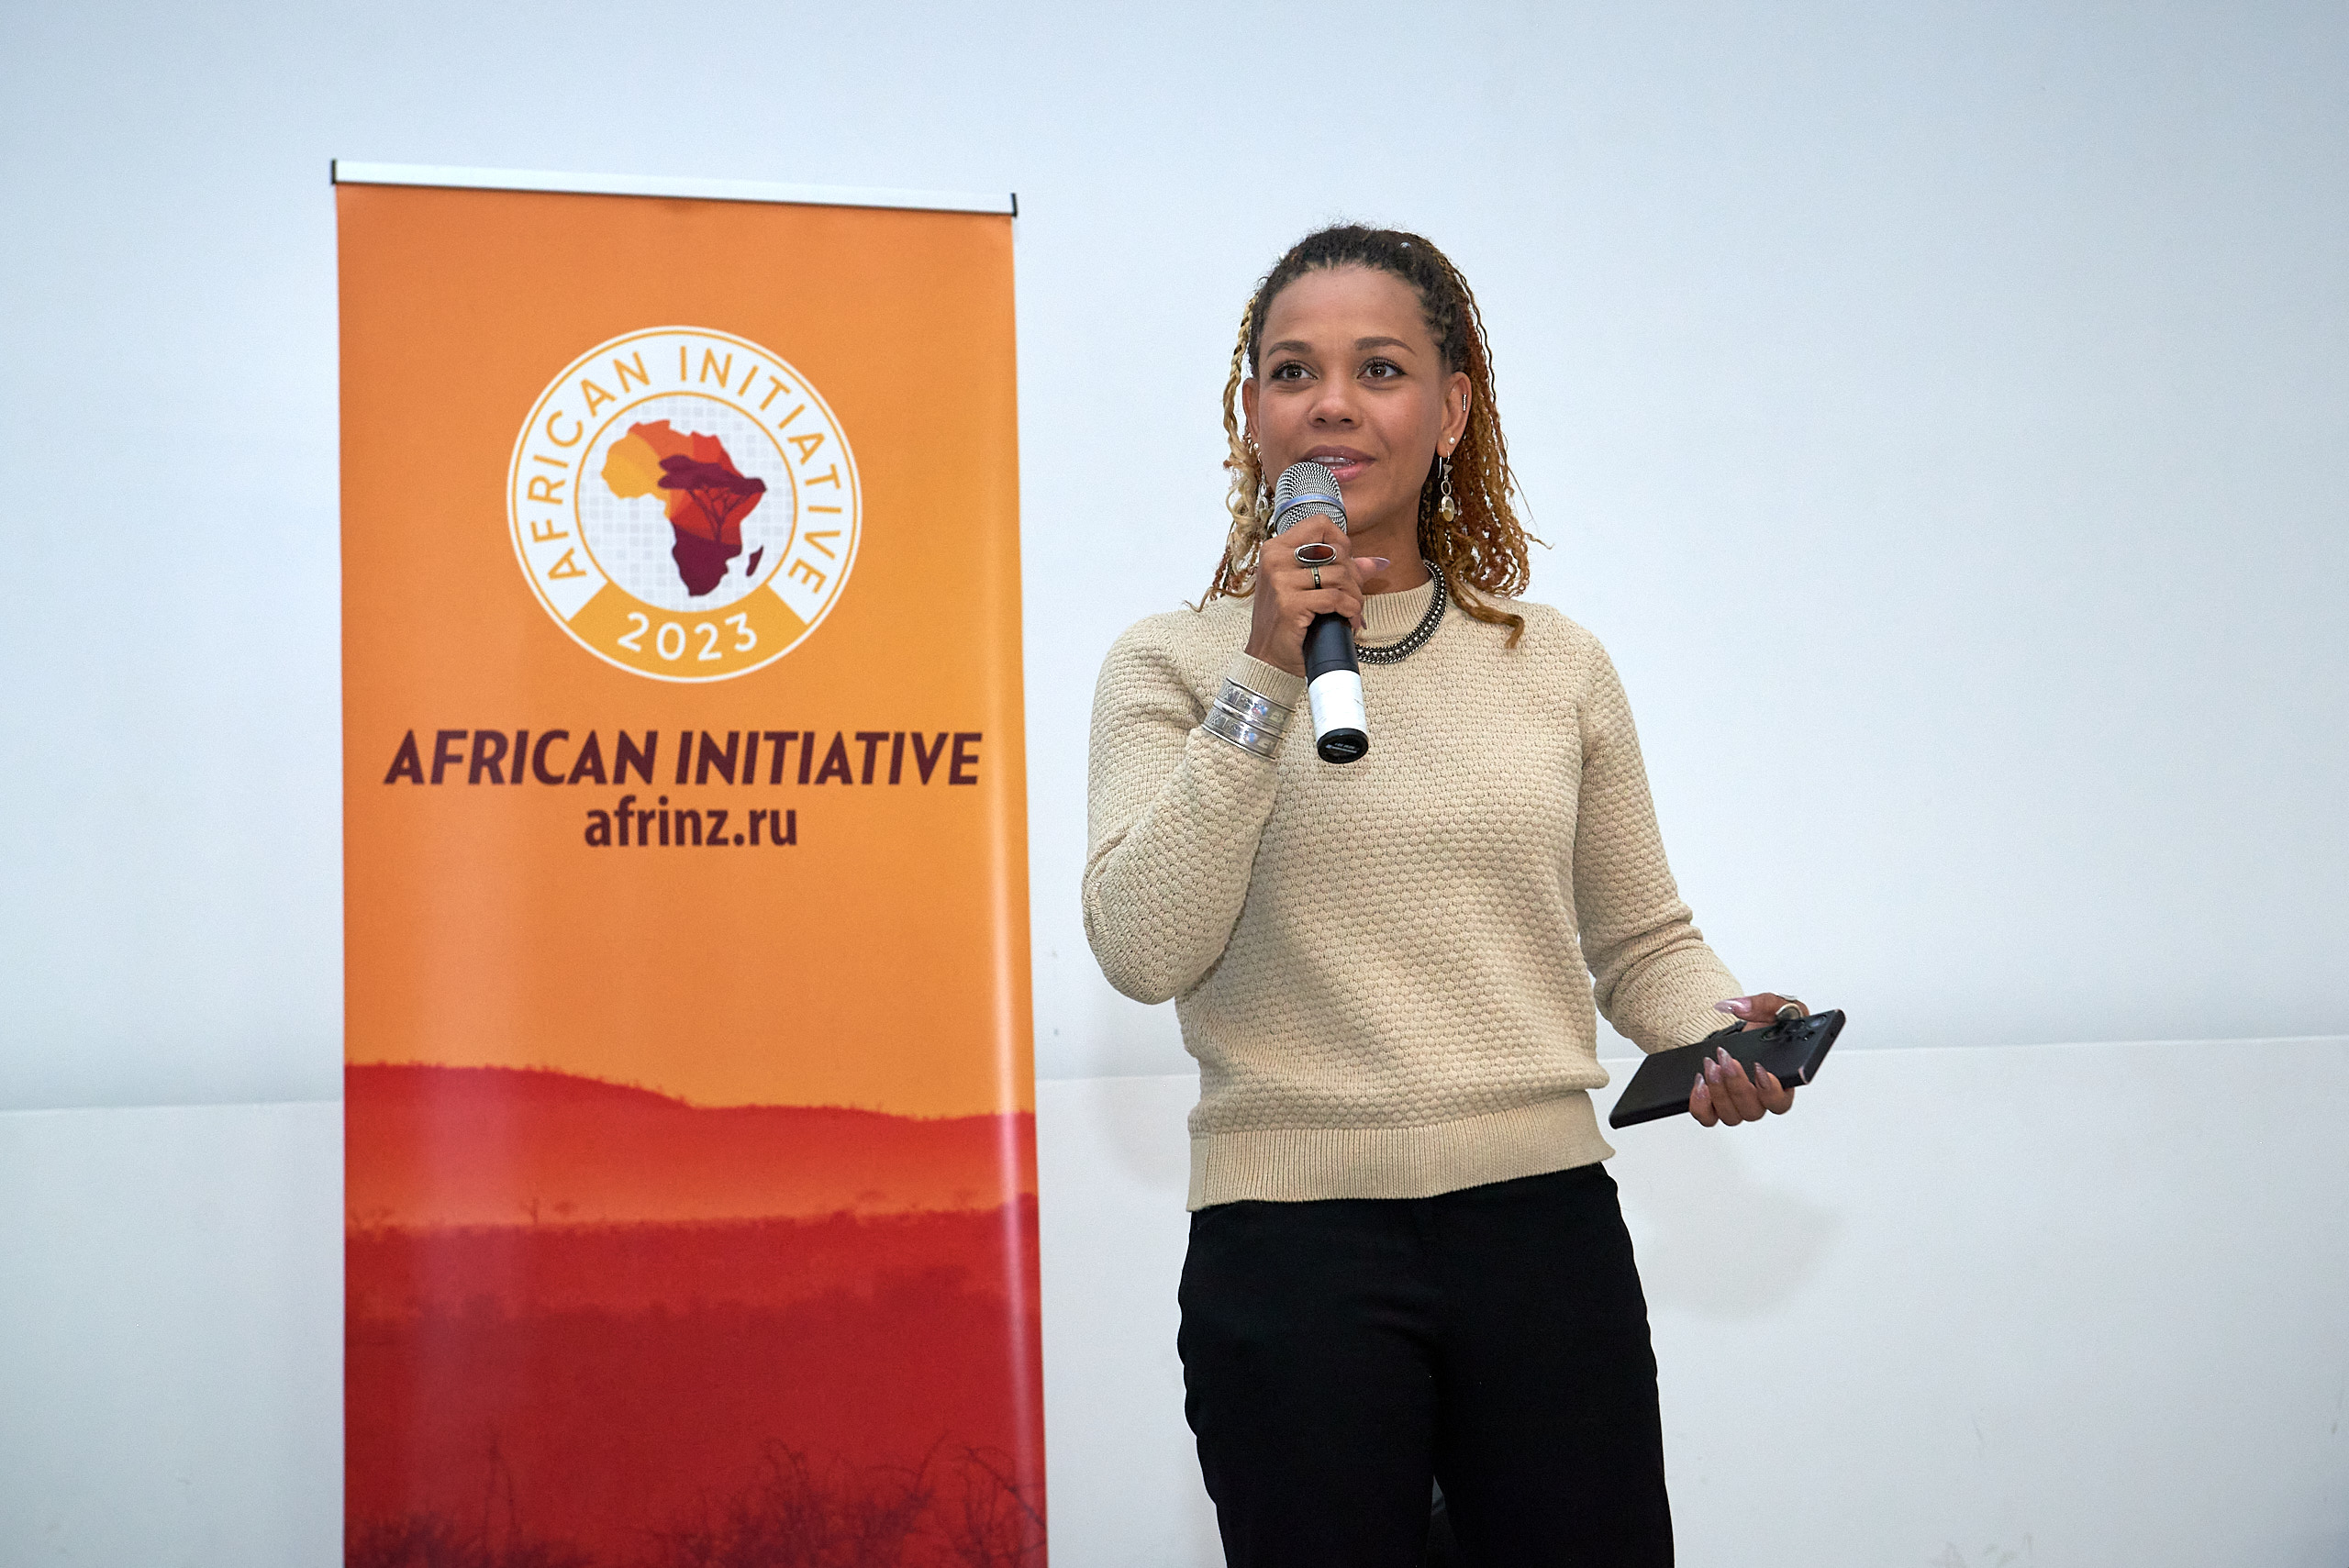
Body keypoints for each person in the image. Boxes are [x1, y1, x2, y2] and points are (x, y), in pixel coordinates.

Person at [1082, 225, 1805, 1568]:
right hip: (1290, 1256)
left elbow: (1642, 938)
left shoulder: (1553, 662)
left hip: (1542, 1239)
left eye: (1380, 368)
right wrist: (1265, 678)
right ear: (1252, 413)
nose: (1332, 402)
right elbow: (1140, 945)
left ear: (1452, 409)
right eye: (1292, 370)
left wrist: (1724, 1028)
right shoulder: (1170, 665)